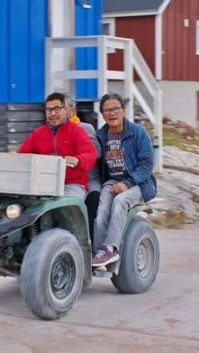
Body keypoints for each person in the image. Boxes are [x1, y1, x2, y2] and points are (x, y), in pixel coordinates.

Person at [91, 93, 157, 267]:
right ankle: (99, 252)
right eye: (107, 110)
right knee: (102, 210)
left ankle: (110, 247)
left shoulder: (138, 133)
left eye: (115, 109)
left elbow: (147, 164)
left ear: (123, 111)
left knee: (120, 201)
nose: (112, 113)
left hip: (138, 183)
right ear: (102, 114)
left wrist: (127, 183)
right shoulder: (101, 136)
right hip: (112, 182)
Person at [18, 92, 97, 200]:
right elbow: (22, 155)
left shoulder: (77, 132)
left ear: (66, 110)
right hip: (43, 184)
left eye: (57, 109)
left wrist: (78, 160)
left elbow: (90, 154)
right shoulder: (38, 133)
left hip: (72, 184)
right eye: (49, 110)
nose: (53, 113)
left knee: (66, 205)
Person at [66, 96, 102, 233]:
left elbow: (96, 152)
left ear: (71, 110)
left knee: (93, 201)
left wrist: (76, 158)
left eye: (61, 108)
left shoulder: (85, 128)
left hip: (88, 181)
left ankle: (91, 244)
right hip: (65, 181)